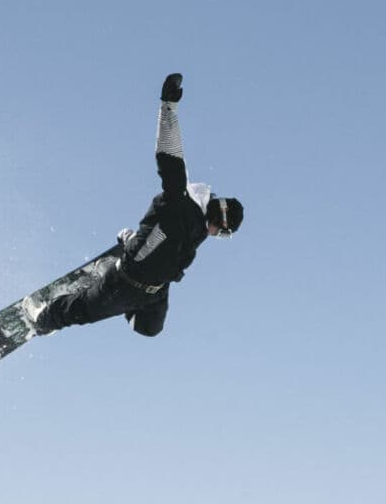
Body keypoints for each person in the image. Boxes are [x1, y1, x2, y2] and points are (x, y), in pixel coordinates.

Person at [31, 72, 243, 339]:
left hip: (156, 290)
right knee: (81, 311)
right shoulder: (179, 200)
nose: (216, 236)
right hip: (127, 283)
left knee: (149, 328)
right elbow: (169, 155)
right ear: (220, 222)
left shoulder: (198, 228)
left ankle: (123, 253)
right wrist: (168, 107)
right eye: (222, 233)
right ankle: (42, 317)